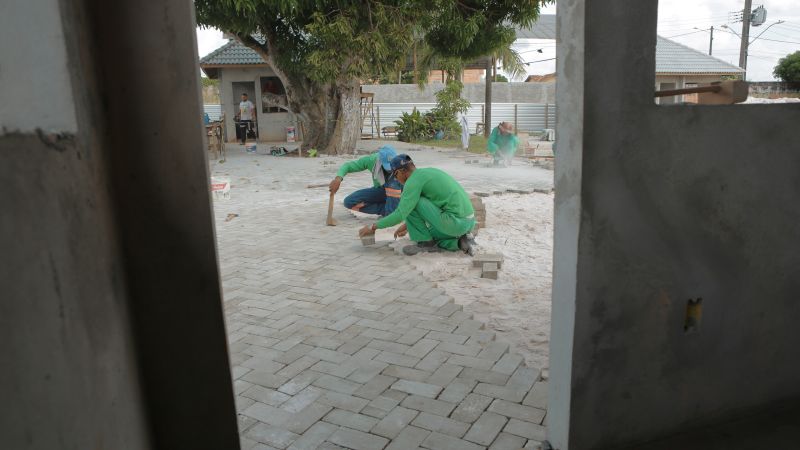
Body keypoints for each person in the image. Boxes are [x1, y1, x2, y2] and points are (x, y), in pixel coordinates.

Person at [359, 154, 476, 256]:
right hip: (468, 223)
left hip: (454, 223)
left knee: (413, 203)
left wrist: (373, 227)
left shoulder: (412, 181)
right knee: (432, 234)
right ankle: (461, 242)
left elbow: (400, 213)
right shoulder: (428, 172)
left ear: (400, 171)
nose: (396, 179)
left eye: (395, 175)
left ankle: (425, 243)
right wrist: (407, 226)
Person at [329, 145, 403, 217]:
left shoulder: (402, 164)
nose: (389, 169)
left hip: (399, 193)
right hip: (381, 190)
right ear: (380, 160)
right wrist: (338, 179)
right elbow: (348, 166)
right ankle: (386, 210)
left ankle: (393, 211)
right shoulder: (371, 160)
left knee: (393, 184)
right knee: (349, 202)